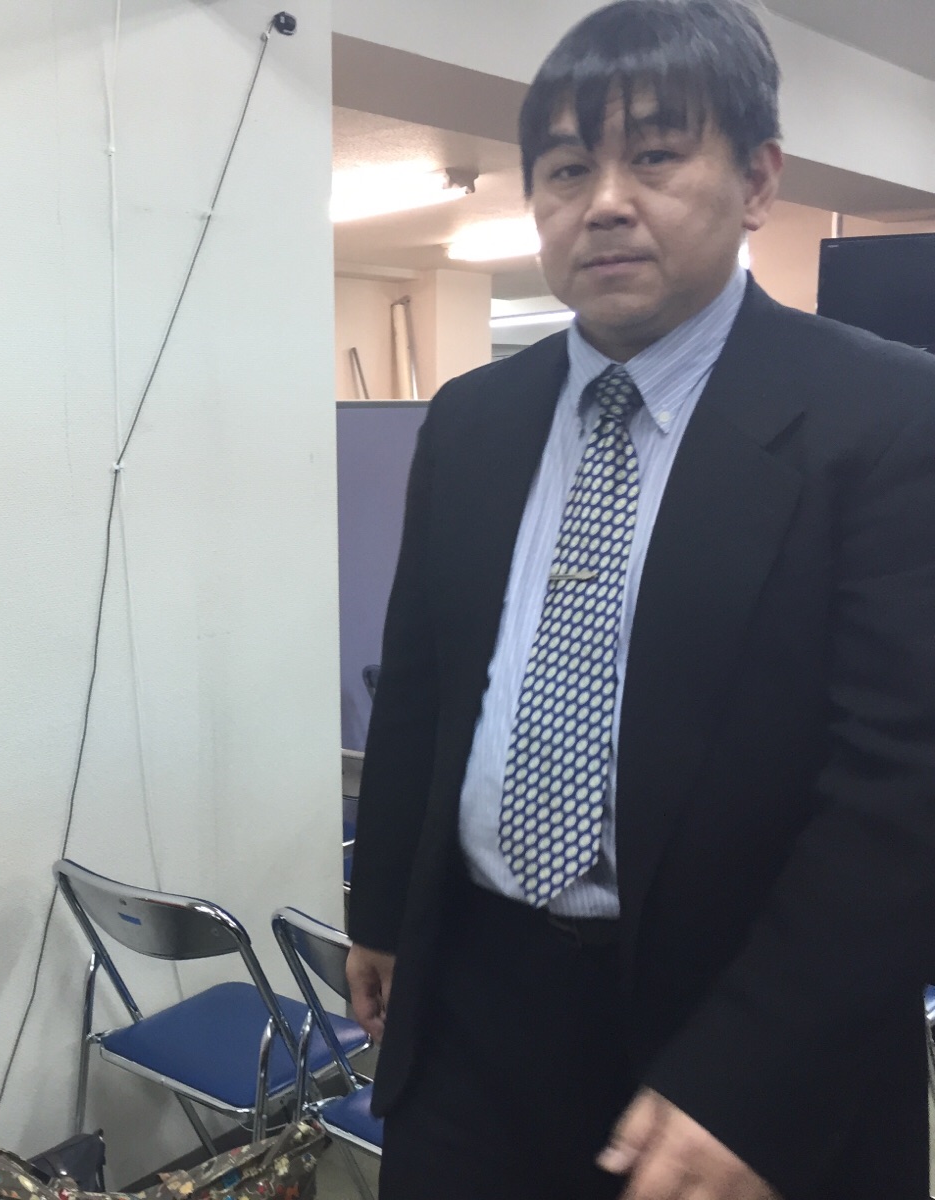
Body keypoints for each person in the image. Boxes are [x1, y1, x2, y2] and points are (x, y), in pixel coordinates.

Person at [344, 1, 935, 1197]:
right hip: (474, 1009)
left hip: (734, 1023)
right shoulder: (473, 419)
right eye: (567, 169)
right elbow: (421, 682)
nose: (604, 202)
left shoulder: (883, 417)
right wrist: (383, 913)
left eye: (655, 156)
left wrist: (753, 1074)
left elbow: (901, 790)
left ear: (756, 179)